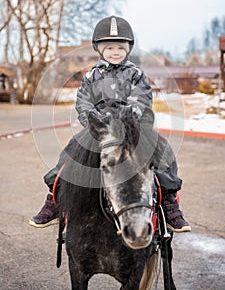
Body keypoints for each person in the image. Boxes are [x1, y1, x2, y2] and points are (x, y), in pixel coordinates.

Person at [29, 16, 191, 233]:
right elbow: (84, 101)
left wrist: (126, 118)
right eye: (110, 47)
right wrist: (93, 121)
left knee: (163, 153)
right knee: (69, 153)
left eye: (120, 48)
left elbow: (141, 99)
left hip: (133, 128)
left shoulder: (136, 74)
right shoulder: (92, 76)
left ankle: (169, 204)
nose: (116, 52)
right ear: (99, 49)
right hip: (100, 129)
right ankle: (54, 202)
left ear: (128, 49)